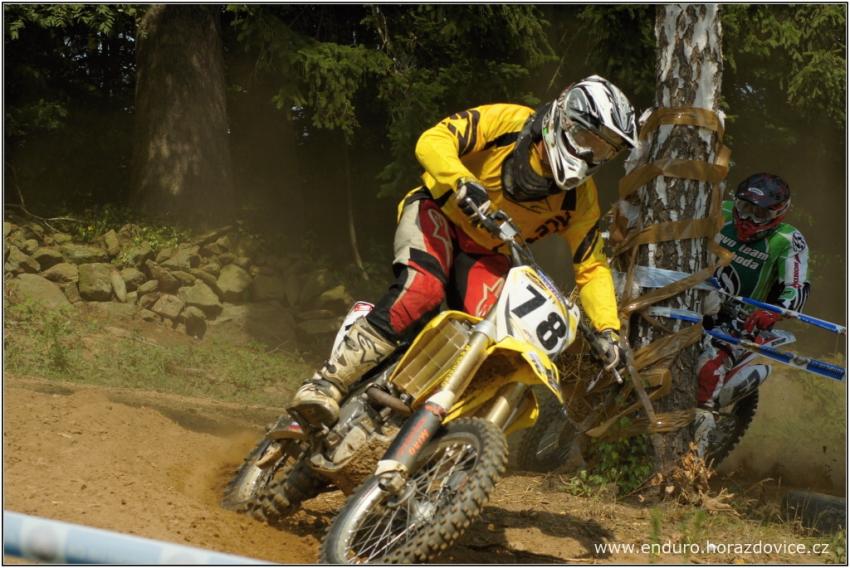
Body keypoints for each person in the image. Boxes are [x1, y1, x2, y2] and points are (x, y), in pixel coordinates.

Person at [289, 75, 638, 426]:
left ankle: (425, 421)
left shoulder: (581, 200)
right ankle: (327, 383)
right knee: (423, 290)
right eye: (586, 139)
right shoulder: (510, 123)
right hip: (439, 213)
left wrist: (608, 331)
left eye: (602, 150)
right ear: (563, 119)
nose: (589, 154)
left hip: (487, 254)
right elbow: (434, 139)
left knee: (501, 344)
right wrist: (462, 181)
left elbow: (592, 267)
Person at [694, 173, 810, 452]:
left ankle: (695, 454)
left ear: (777, 213)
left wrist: (773, 312)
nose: (749, 219)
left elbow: (796, 287)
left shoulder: (788, 239)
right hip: (695, 298)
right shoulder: (719, 212)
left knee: (709, 367)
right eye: (745, 208)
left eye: (760, 213)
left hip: (739, 320)